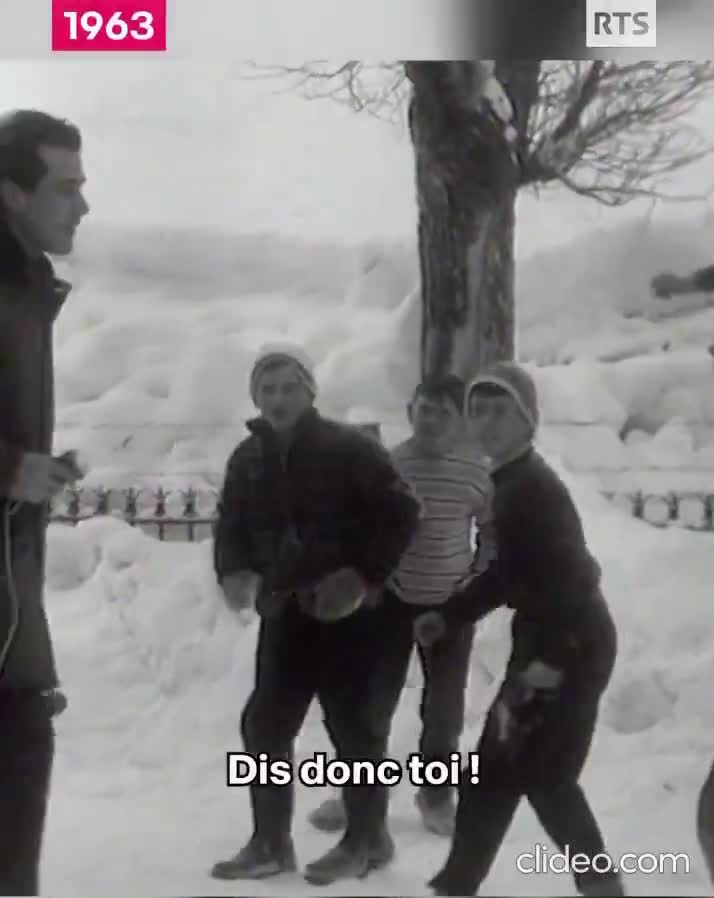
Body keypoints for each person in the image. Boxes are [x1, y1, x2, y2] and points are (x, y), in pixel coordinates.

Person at [211, 343, 422, 886]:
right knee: (264, 724)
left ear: (310, 392)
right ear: (255, 396)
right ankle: (269, 842)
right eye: (267, 389)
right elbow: (230, 524)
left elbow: (402, 511)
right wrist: (234, 570)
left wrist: (361, 574)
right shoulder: (247, 458)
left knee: (353, 728)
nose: (278, 398)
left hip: (350, 616)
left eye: (289, 388)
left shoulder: (349, 448)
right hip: (285, 611)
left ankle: (366, 839)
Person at [414, 361, 623, 897]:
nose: (487, 421)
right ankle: (457, 882)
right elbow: (511, 572)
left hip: (567, 643)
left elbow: (573, 577)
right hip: (550, 638)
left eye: (500, 411)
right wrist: (452, 614)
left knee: (545, 777)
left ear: (527, 420)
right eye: (478, 410)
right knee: (495, 770)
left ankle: (601, 886)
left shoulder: (531, 488)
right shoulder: (510, 481)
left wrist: (553, 659)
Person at [308, 376, 496, 838]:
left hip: (449, 609)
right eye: (424, 409)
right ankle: (358, 792)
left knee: (444, 709)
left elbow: (491, 533)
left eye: (444, 412)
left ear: (462, 420)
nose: (431, 421)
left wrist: (474, 580)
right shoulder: (390, 465)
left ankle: (436, 796)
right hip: (390, 603)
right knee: (373, 703)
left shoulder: (477, 472)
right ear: (411, 412)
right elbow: (366, 529)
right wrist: (371, 580)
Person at [0, 110, 89, 895]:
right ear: (12, 193)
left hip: (12, 601)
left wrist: (34, 471)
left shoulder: (27, 291)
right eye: (66, 187)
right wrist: (8, 469)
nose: (83, 205)